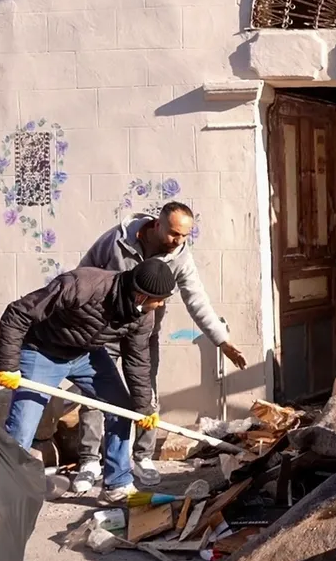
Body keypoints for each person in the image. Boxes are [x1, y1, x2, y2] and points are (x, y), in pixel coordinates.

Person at [72, 202, 246, 491]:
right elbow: (82, 277)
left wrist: (222, 341)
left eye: (184, 236)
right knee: (92, 393)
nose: (178, 242)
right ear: (156, 225)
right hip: (104, 332)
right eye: (174, 234)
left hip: (143, 335)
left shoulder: (180, 257)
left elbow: (196, 299)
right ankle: (90, 460)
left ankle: (142, 456)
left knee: (146, 392)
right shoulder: (115, 242)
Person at [0, 260, 178, 504]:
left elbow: (137, 361)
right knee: (23, 425)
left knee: (122, 410)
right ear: (141, 295)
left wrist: (143, 408)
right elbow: (18, 312)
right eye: (159, 298)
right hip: (41, 351)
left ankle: (117, 483)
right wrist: (8, 365)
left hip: (85, 355)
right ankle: (2, 494)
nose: (161, 304)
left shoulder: (143, 316)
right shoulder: (83, 285)